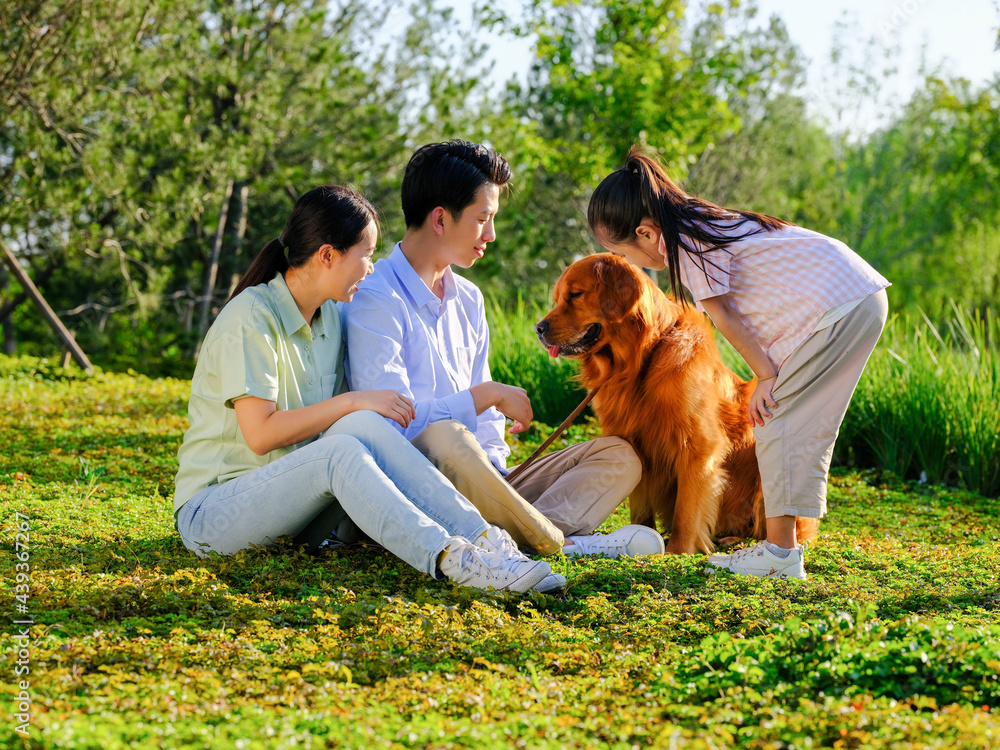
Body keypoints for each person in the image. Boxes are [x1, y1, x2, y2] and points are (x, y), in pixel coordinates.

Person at [173, 184, 556, 594]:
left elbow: (351, 428)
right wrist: (353, 400)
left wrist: (358, 410)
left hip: (297, 509)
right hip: (213, 515)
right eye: (366, 256)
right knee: (345, 439)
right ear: (327, 256)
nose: (372, 269)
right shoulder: (252, 317)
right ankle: (454, 560)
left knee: (366, 426)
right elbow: (262, 434)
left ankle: (486, 541)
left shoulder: (331, 318)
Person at [342, 140, 663, 561]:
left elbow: (487, 422)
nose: (491, 235)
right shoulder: (376, 298)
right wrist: (487, 396)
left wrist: (496, 471)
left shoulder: (469, 299)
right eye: (482, 220)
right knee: (446, 436)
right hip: (419, 486)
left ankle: (510, 535)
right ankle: (562, 543)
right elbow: (390, 429)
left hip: (488, 483)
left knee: (619, 454)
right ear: (440, 219)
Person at [587, 146, 889, 580]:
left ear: (647, 233)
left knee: (774, 415)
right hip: (853, 296)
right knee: (796, 422)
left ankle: (780, 555)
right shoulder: (703, 221)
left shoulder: (687, 248)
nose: (631, 265)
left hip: (840, 304)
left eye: (625, 252)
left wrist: (766, 376)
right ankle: (782, 548)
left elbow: (724, 317)